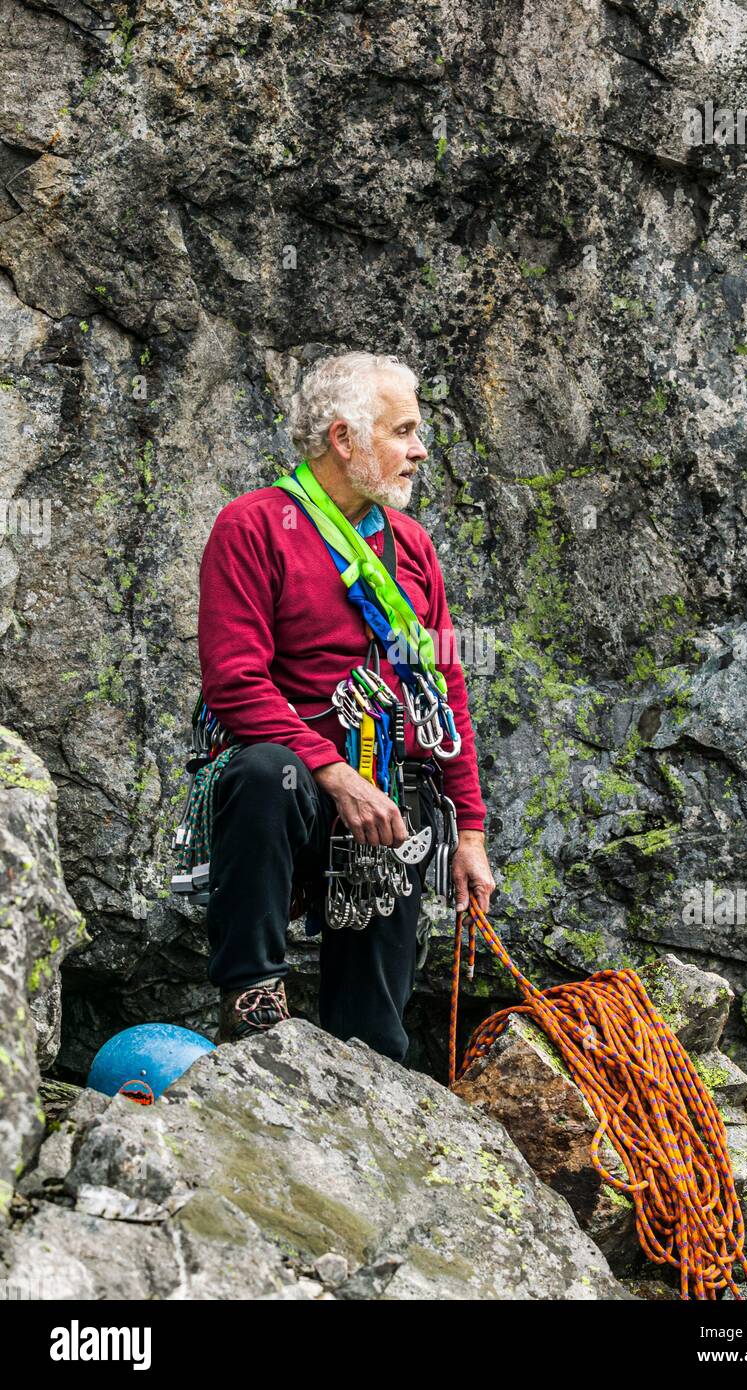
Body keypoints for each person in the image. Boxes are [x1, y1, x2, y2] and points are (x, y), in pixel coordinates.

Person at [198, 350, 495, 1061]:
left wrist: (472, 833)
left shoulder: (410, 547)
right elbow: (235, 681)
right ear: (343, 438)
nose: (419, 451)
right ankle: (253, 998)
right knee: (268, 773)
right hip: (298, 791)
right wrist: (333, 771)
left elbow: (444, 691)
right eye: (402, 431)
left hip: (390, 805)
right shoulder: (255, 526)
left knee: (375, 1041)